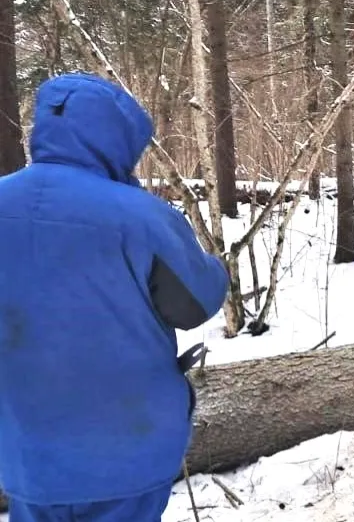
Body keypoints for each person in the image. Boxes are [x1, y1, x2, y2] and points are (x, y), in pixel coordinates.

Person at [0, 73, 228, 521]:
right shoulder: (141, 217)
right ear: (115, 138)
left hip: (24, 447)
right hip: (126, 446)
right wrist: (215, 267)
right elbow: (194, 305)